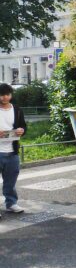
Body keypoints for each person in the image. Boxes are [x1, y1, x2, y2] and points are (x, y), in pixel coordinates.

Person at [0, 83, 26, 217]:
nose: (5, 97)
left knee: (11, 179)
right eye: (2, 94)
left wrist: (22, 131)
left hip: (12, 150)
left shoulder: (16, 109)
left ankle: (11, 203)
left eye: (7, 94)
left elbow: (23, 126)